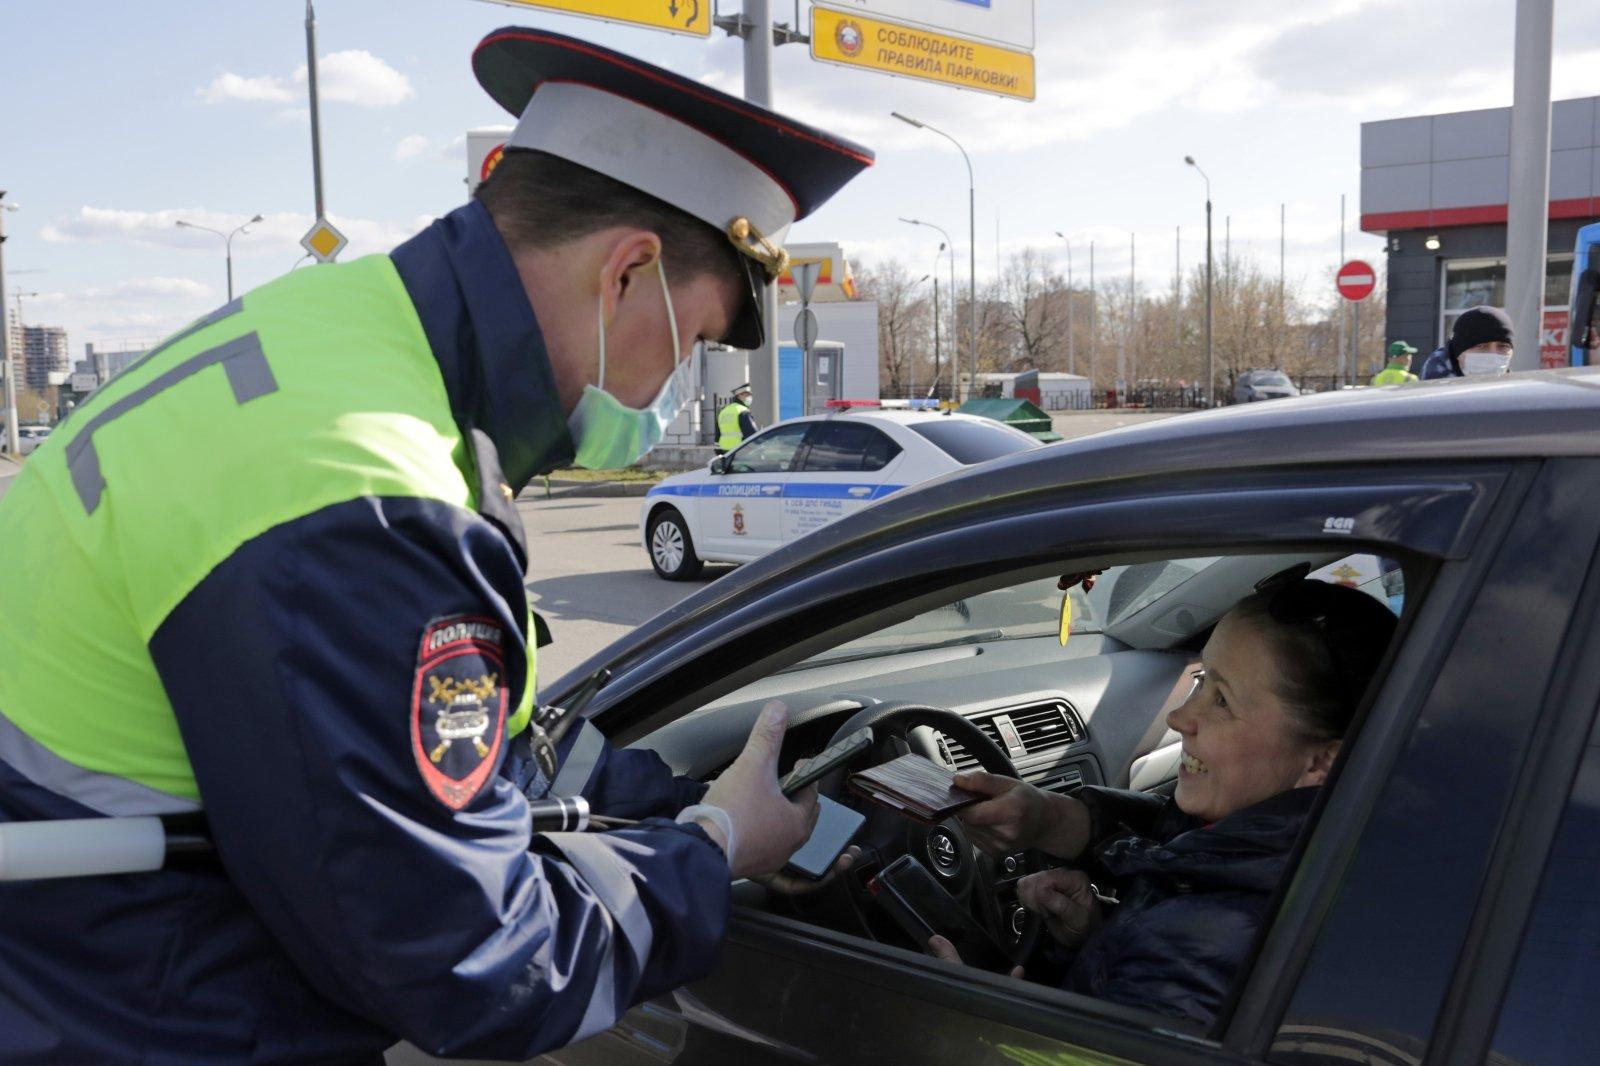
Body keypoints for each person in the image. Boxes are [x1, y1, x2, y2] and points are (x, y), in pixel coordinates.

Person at [0, 28, 873, 1063]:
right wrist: (713, 850)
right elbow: (480, 967)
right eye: (685, 346)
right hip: (151, 1018)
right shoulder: (365, 496)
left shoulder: (334, 336)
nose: (666, 391)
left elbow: (463, 759)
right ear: (628, 273)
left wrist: (679, 790)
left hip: (74, 966)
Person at [933, 573, 1397, 1027]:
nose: (1178, 718)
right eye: (1201, 682)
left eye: (1222, 702)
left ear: (1322, 762)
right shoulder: (1327, 852)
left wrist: (964, 1025)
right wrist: (1094, 936)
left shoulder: (1201, 949)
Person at [1420, 305, 1515, 379]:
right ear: (1458, 353)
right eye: (1481, 346)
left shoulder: (1517, 396)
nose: (1493, 354)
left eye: (1503, 346)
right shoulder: (1427, 397)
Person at [717, 382, 759, 454]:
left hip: (724, 450)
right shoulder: (742, 411)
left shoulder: (723, 411)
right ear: (739, 395)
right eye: (747, 394)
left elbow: (718, 434)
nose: (749, 397)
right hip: (739, 450)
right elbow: (752, 434)